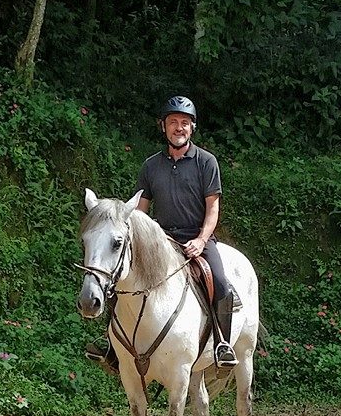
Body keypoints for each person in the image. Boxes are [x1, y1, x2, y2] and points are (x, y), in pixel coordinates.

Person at [86, 95, 238, 373]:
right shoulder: (150, 166)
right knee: (121, 278)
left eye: (184, 123)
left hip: (196, 237)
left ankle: (221, 344)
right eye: (172, 122)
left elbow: (213, 208)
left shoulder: (207, 162)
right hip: (161, 240)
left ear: (192, 128)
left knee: (220, 282)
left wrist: (202, 239)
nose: (178, 128)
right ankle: (111, 344)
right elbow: (140, 213)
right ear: (163, 127)